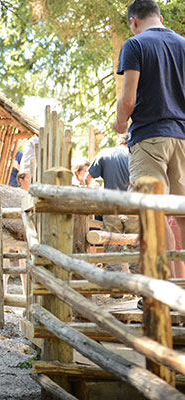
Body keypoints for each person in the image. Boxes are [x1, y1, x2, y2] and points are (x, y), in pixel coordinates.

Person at [112, 0, 185, 278]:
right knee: (182, 213)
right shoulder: (183, 44)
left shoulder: (135, 45)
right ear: (161, 17)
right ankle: (182, 288)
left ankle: (162, 288)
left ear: (133, 22)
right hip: (183, 138)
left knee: (152, 212)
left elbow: (128, 99)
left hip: (150, 137)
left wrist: (120, 122)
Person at [88, 135, 138, 275]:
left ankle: (115, 288)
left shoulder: (105, 154)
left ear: (119, 141)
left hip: (111, 208)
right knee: (135, 246)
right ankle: (138, 287)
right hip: (133, 209)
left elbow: (88, 177)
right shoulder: (137, 155)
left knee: (111, 245)